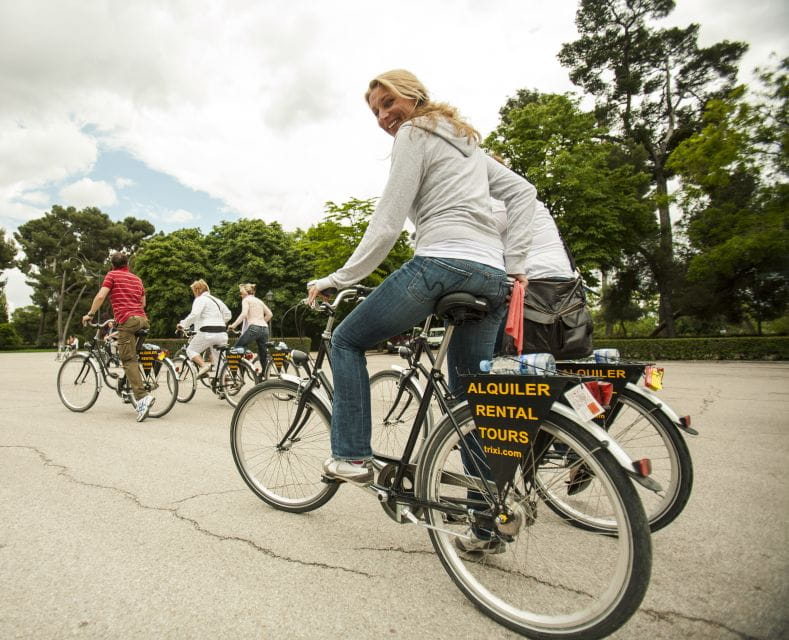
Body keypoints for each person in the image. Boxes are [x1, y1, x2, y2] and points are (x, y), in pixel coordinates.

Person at [307, 70, 536, 515]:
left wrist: (341, 277)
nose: (383, 116)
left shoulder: (414, 132)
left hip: (440, 264)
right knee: (473, 400)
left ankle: (352, 456)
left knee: (346, 340)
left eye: (388, 102)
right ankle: (484, 521)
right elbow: (523, 193)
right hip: (491, 277)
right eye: (375, 111)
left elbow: (388, 221)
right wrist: (516, 265)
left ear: (415, 97)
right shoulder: (467, 142)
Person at [82, 252, 155, 422]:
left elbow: (101, 296)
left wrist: (90, 314)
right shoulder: (137, 279)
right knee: (133, 355)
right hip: (142, 319)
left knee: (128, 360)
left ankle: (142, 397)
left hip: (128, 320)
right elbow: (143, 303)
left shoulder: (112, 275)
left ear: (112, 264)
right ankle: (128, 386)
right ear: (127, 263)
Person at [176, 279, 232, 378]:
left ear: (197, 290)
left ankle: (203, 366)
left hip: (208, 332)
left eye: (193, 291)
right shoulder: (217, 300)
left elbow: (194, 315)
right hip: (222, 333)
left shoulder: (200, 299)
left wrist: (183, 324)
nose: (193, 294)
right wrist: (219, 322)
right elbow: (228, 315)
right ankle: (224, 381)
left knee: (191, 350)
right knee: (219, 359)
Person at [228, 283, 273, 376]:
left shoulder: (246, 300)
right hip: (264, 328)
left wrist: (234, 325)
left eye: (241, 293)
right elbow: (270, 314)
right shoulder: (259, 301)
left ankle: (238, 374)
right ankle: (265, 374)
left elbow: (244, 314)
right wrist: (261, 322)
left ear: (244, 292)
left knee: (237, 349)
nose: (241, 295)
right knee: (263, 353)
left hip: (254, 328)